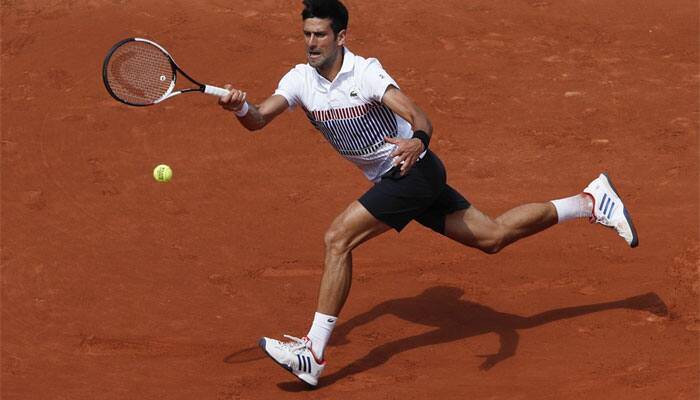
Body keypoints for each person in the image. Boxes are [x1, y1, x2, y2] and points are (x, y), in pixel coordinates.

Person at [216, 0, 638, 387]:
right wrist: (239, 106)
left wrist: (417, 140)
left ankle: (312, 351)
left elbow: (420, 116)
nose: (311, 42)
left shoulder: (365, 73)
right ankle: (589, 202)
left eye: (320, 35)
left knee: (338, 238)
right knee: (491, 237)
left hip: (413, 171)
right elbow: (258, 119)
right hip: (396, 181)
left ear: (340, 37)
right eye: (306, 34)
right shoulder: (299, 79)